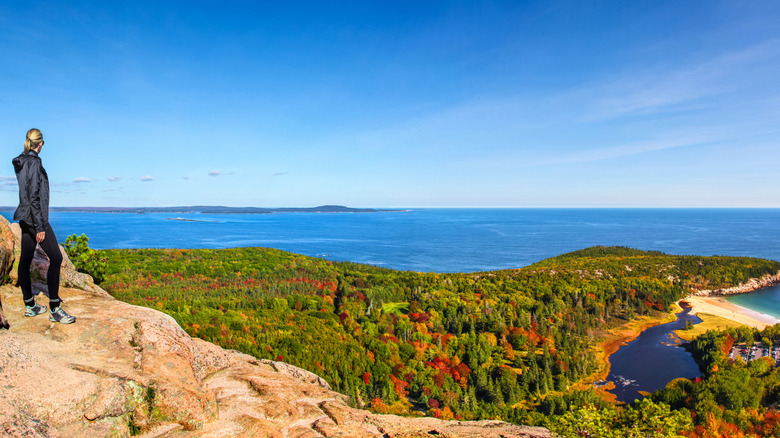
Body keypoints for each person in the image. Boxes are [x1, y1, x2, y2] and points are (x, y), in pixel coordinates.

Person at [12, 128, 75, 323]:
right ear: (40, 144)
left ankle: (30, 305)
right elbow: (34, 196)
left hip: (24, 216)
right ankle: (55, 309)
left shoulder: (21, 162)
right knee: (56, 257)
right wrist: (40, 226)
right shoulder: (34, 162)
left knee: (25, 259)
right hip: (34, 219)